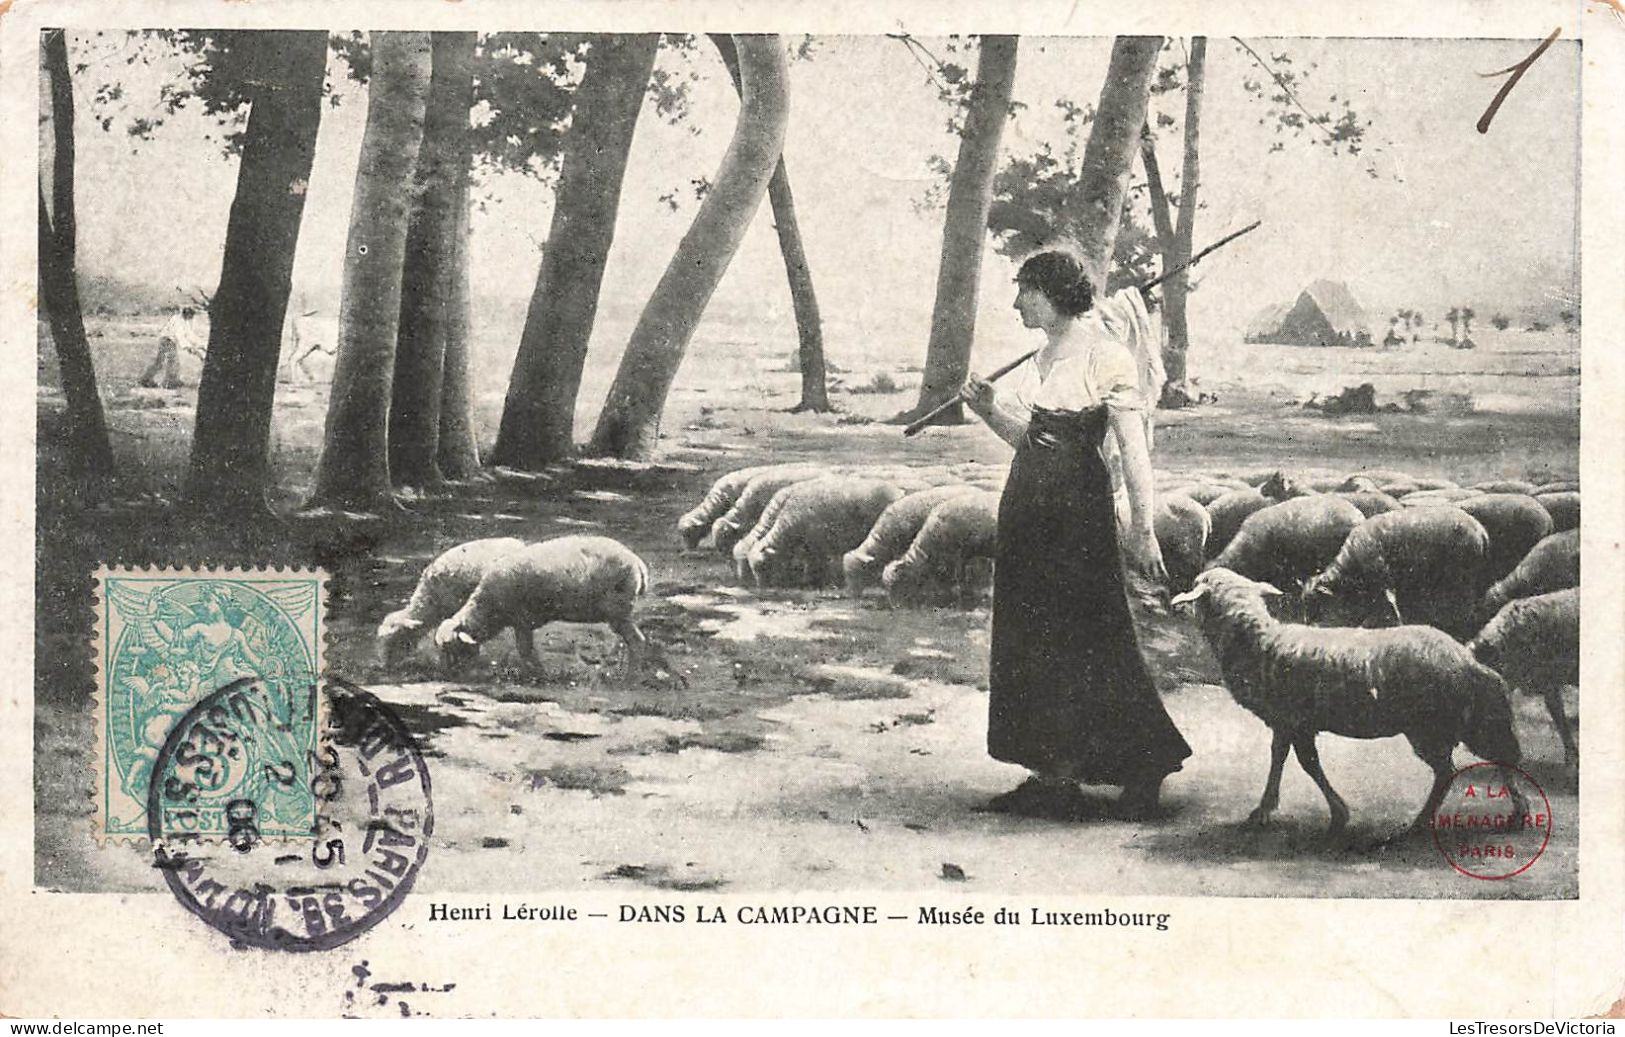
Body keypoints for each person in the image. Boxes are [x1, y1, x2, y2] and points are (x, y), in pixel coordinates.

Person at [958, 249, 1191, 820]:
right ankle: (1052, 773)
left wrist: (1143, 528)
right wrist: (988, 411)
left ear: (1054, 293)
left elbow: (1132, 452)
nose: (1016, 303)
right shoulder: (1043, 357)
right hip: (1028, 514)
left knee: (1093, 635)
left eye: (1025, 292)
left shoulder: (1106, 356)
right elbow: (1033, 443)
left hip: (1077, 518)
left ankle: (1144, 764)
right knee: (1032, 640)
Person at [139, 306, 204, 388]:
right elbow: (180, 336)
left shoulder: (185, 321)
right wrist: (189, 347)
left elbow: (189, 334)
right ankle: (167, 382)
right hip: (166, 340)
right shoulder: (176, 320)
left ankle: (165, 380)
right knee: (171, 362)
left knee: (165, 362)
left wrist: (201, 344)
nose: (191, 319)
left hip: (171, 341)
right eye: (190, 316)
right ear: (187, 314)